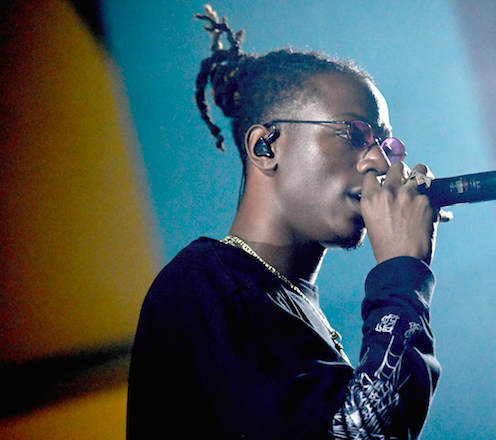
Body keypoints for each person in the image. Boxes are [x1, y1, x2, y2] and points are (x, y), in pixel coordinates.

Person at [127, 5, 444, 439]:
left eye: (385, 145)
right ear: (265, 147)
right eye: (355, 135)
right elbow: (362, 433)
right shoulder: (208, 288)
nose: (380, 162)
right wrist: (402, 270)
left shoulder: (273, 297)